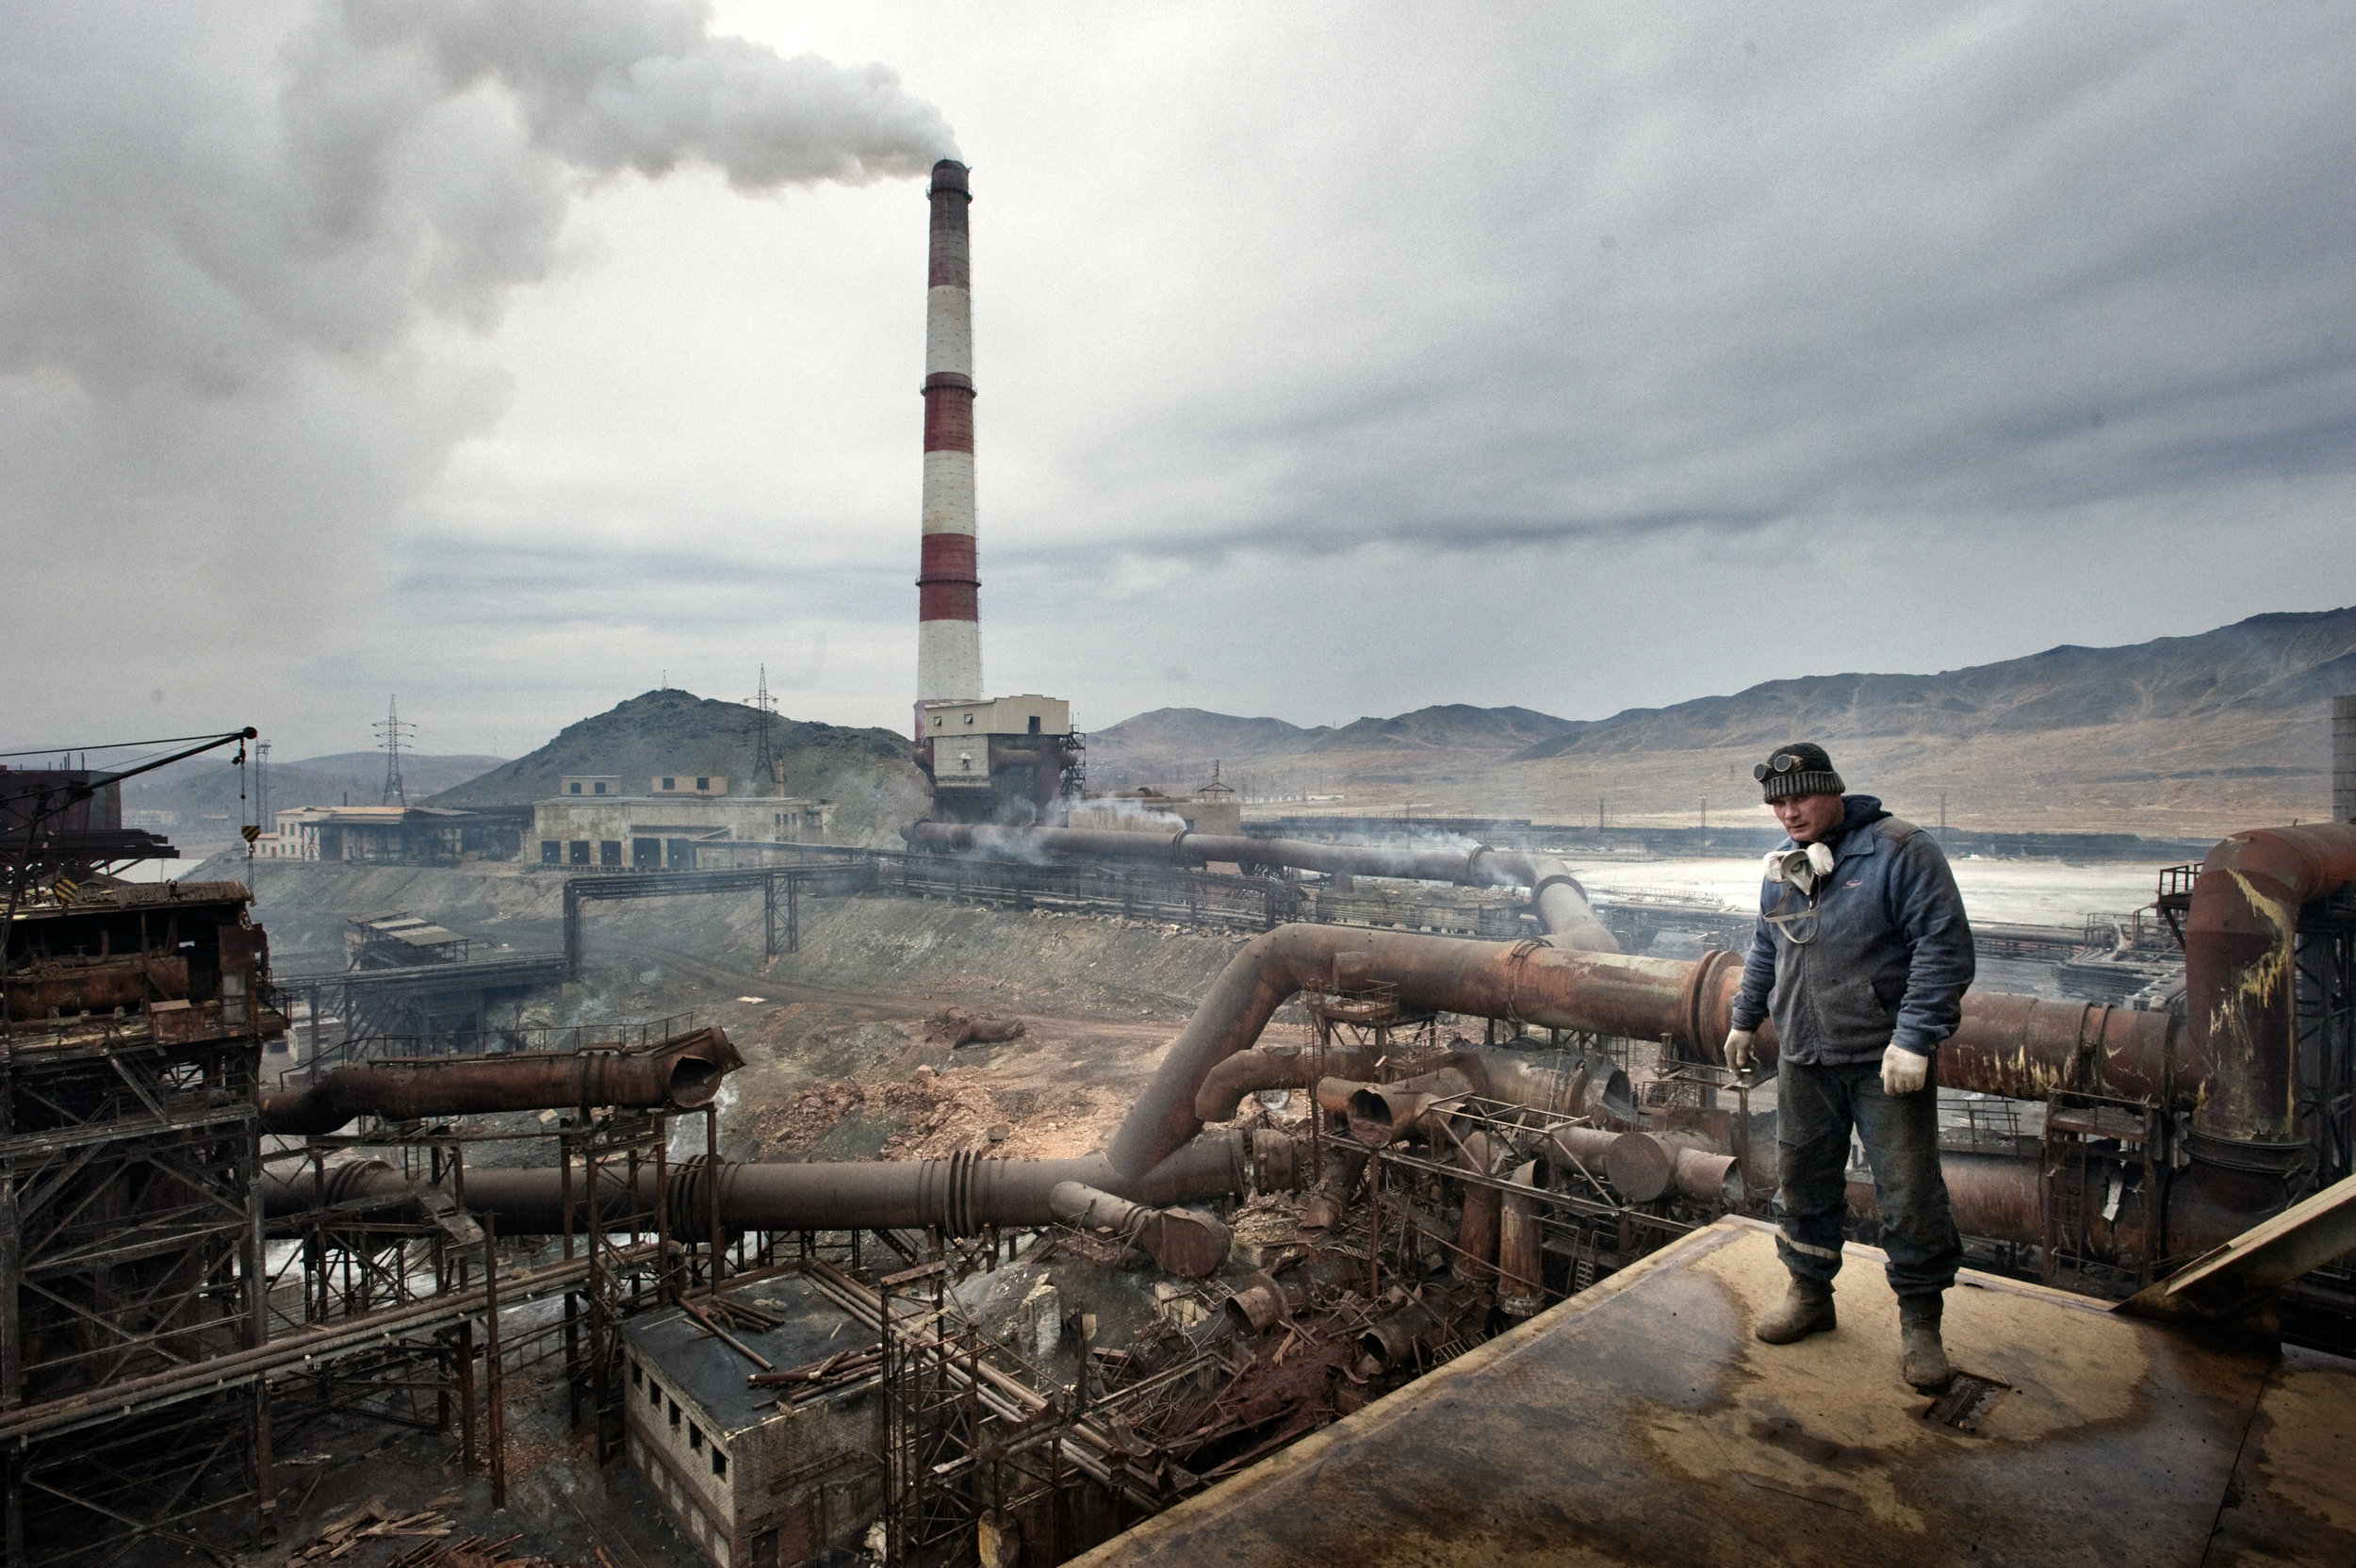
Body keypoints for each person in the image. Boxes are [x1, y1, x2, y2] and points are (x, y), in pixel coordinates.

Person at [1722, 743, 1973, 1391]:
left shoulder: (1900, 850)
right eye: (1777, 803)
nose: (1788, 812)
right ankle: (1810, 1295)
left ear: (1832, 789)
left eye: (1799, 796)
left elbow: (1942, 949)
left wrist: (1915, 1038)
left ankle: (1921, 1323)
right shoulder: (1783, 867)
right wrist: (1745, 1019)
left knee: (1909, 1193)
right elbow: (1764, 947)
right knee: (1802, 1182)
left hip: (1882, 1061)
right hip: (1804, 1054)